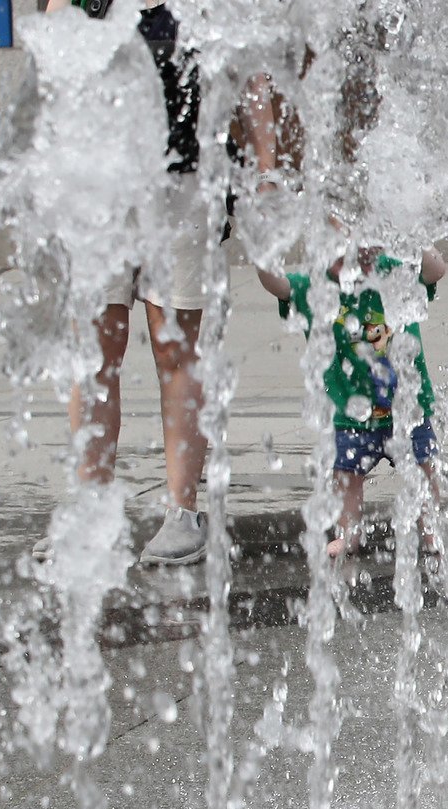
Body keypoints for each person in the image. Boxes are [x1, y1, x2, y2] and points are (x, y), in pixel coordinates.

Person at [36, 0, 273, 566]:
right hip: (98, 189)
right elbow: (51, 75)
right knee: (94, 352)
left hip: (186, 186)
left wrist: (266, 169)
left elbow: (251, 75)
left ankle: (182, 512)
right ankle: (92, 511)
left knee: (177, 350)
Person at [258, 246, 447, 559]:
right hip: (351, 415)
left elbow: (436, 270)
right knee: (347, 478)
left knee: (425, 470)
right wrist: (261, 251)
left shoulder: (392, 272)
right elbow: (278, 286)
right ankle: (349, 534)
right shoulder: (316, 287)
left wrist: (414, 237)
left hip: (408, 408)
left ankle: (431, 528)